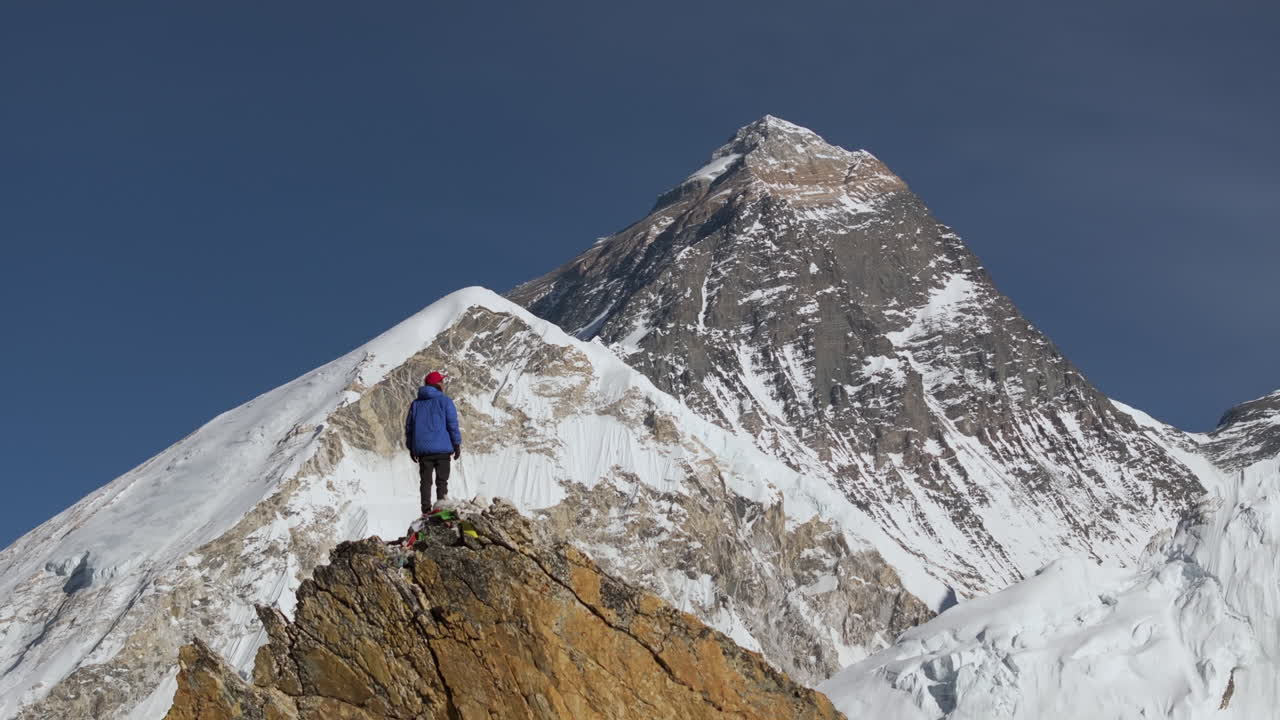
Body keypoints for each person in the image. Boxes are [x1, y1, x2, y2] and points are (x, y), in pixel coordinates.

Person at [404, 371, 462, 515]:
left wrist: (411, 447)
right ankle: (440, 510)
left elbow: (409, 427)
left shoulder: (416, 404)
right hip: (442, 450)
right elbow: (452, 424)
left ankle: (425, 511)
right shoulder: (445, 401)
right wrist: (456, 444)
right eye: (442, 382)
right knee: (441, 481)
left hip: (423, 451)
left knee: (425, 481)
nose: (444, 384)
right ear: (438, 385)